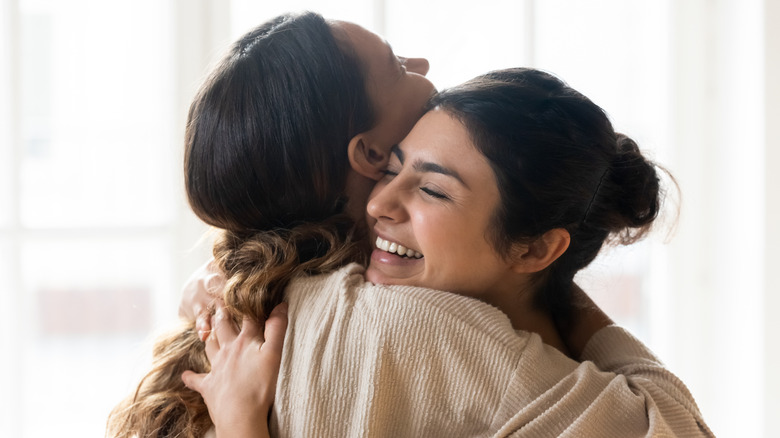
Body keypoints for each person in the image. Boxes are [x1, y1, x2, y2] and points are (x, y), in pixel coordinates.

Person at [180, 69, 713, 437]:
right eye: (390, 169)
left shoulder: (306, 296)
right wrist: (562, 295)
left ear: (535, 246)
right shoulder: (431, 332)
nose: (380, 203)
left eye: (432, 190)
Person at [106, 11, 435, 438]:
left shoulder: (232, 304)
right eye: (398, 67)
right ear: (370, 154)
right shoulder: (397, 325)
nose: (423, 66)